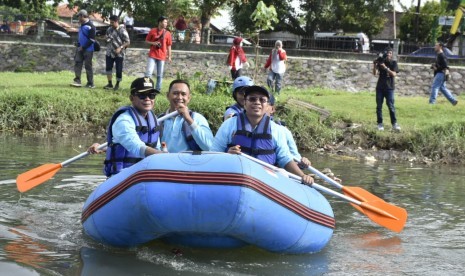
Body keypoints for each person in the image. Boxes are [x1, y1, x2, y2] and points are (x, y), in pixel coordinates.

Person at [211, 85, 314, 185]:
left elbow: (285, 158)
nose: (257, 102)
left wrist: (302, 176)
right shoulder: (229, 125)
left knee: (282, 173)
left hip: (265, 180)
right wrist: (227, 155)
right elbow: (213, 154)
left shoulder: (276, 130)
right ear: (245, 103)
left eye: (262, 100)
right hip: (236, 175)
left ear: (267, 105)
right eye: (252, 99)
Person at [88, 77, 165, 177]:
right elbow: (137, 148)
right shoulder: (123, 121)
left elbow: (156, 147)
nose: (147, 99)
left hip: (144, 174)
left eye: (151, 95)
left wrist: (164, 153)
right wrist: (164, 157)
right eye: (142, 95)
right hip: (122, 177)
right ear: (132, 98)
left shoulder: (153, 120)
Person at [158, 79, 214, 152]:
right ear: (168, 96)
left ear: (188, 98)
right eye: (175, 93)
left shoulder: (198, 118)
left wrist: (189, 120)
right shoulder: (160, 120)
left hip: (189, 162)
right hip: (165, 162)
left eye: (183, 94)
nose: (179, 97)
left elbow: (209, 147)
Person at [372, 47, 400, 131]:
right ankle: (380, 124)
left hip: (389, 88)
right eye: (387, 53)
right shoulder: (381, 62)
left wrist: (385, 68)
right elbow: (375, 73)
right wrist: (374, 64)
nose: (388, 54)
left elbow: (394, 74)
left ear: (391, 55)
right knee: (379, 106)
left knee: (391, 106)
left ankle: (394, 124)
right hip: (380, 87)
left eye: (390, 53)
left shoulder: (393, 63)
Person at [145, 16, 172, 92]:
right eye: (165, 22)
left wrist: (169, 56)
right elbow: (146, 41)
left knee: (160, 75)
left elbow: (169, 45)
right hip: (152, 55)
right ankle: (147, 88)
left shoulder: (168, 33)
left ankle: (157, 89)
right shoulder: (153, 31)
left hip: (162, 56)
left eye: (166, 22)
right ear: (160, 22)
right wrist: (153, 43)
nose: (166, 24)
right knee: (148, 73)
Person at [103, 15, 130, 91]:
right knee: (108, 68)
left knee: (118, 69)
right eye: (110, 22)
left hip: (119, 53)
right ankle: (110, 83)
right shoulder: (109, 29)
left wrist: (120, 48)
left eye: (112, 22)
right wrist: (106, 39)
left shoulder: (122, 30)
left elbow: (128, 42)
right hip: (109, 52)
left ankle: (117, 84)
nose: (111, 24)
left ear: (116, 22)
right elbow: (107, 38)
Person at [71, 9, 96, 88]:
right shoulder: (81, 25)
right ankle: (77, 80)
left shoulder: (91, 26)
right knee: (78, 63)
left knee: (88, 66)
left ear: (82, 16)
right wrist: (78, 44)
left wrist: (83, 47)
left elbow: (92, 39)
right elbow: (81, 37)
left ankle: (90, 83)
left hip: (88, 49)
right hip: (80, 49)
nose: (78, 18)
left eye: (79, 16)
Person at [429, 42, 458, 106]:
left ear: (440, 47)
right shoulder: (439, 55)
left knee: (435, 87)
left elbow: (445, 66)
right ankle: (453, 101)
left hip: (441, 74)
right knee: (443, 88)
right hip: (440, 73)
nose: (435, 47)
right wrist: (434, 66)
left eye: (436, 45)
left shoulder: (442, 55)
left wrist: (437, 68)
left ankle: (432, 102)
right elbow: (440, 65)